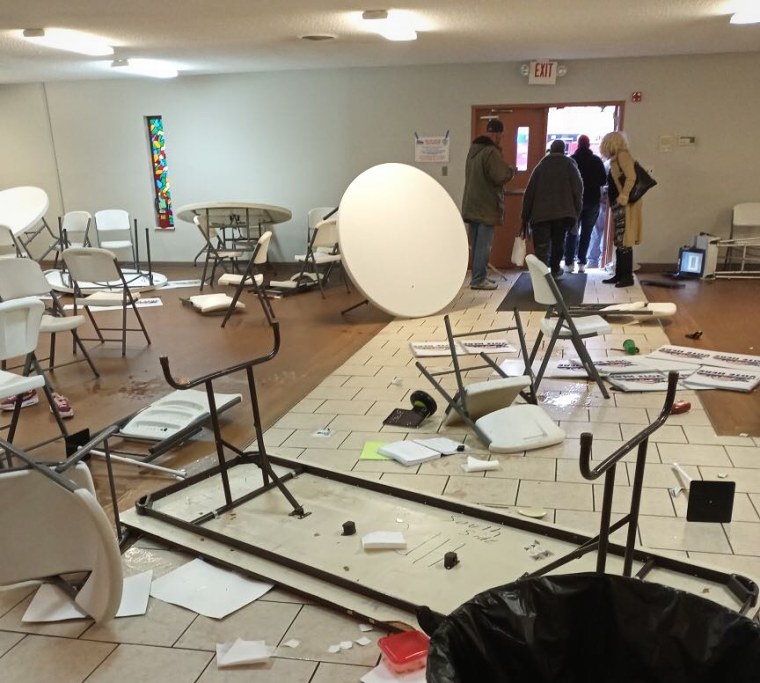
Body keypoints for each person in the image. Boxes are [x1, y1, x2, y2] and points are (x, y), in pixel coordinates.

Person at [462, 119, 516, 290]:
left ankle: (479, 276)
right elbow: (500, 176)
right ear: (499, 134)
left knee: (477, 244)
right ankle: (478, 279)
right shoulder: (491, 152)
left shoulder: (474, 151)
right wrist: (511, 171)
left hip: (472, 205)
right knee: (484, 246)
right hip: (485, 207)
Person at [521, 139, 583, 278]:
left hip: (540, 215)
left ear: (551, 150)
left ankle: (542, 275)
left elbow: (529, 193)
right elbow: (578, 190)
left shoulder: (540, 167)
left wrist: (525, 215)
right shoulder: (570, 165)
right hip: (563, 214)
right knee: (558, 244)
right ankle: (555, 270)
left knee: (541, 247)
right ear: (563, 150)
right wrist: (575, 213)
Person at [599, 131, 642, 288]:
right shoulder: (616, 158)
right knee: (619, 239)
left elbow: (631, 177)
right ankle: (620, 274)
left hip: (625, 205)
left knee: (625, 239)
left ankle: (626, 276)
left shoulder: (622, 156)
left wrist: (623, 196)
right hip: (619, 204)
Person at [563, 135, 607, 273]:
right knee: (587, 233)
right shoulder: (596, 161)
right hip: (593, 200)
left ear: (578, 145)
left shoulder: (571, 160)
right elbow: (602, 180)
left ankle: (569, 263)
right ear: (588, 145)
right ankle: (582, 262)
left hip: (574, 202)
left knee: (572, 232)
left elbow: (565, 181)